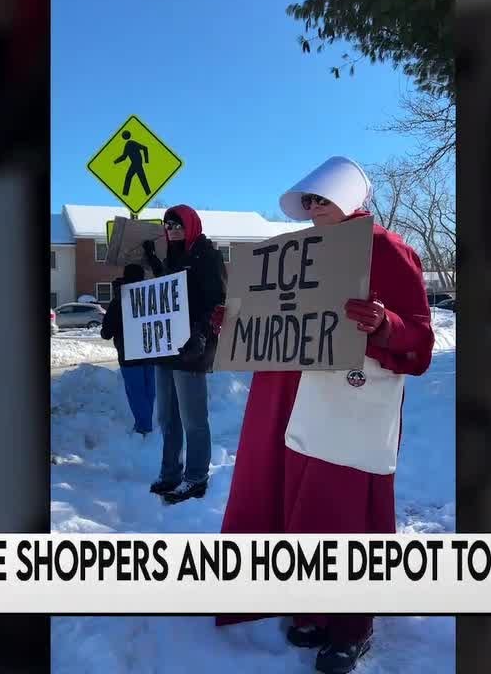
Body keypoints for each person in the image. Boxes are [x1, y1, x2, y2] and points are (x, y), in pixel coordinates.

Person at [213, 157, 434, 674]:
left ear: (349, 197)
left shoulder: (389, 249)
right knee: (305, 507)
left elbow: (421, 338)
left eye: (321, 198)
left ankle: (353, 623)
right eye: (308, 200)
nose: (313, 208)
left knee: (349, 517)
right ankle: (313, 607)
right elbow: (285, 323)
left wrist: (385, 324)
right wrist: (241, 324)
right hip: (307, 404)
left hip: (359, 407)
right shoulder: (300, 254)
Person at [141, 205, 226, 504]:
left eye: (178, 225)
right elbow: (168, 292)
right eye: (168, 225)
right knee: (167, 417)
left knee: (193, 418)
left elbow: (217, 300)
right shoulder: (173, 256)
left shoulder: (207, 254)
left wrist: (201, 333)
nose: (173, 230)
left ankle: (196, 477)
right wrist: (154, 262)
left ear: (191, 225)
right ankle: (170, 473)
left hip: (193, 346)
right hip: (167, 345)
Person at [100, 264, 156, 435]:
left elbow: (106, 333)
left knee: (136, 393)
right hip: (150, 352)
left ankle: (144, 428)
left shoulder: (118, 301)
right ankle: (146, 426)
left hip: (129, 355)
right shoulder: (150, 297)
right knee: (149, 392)